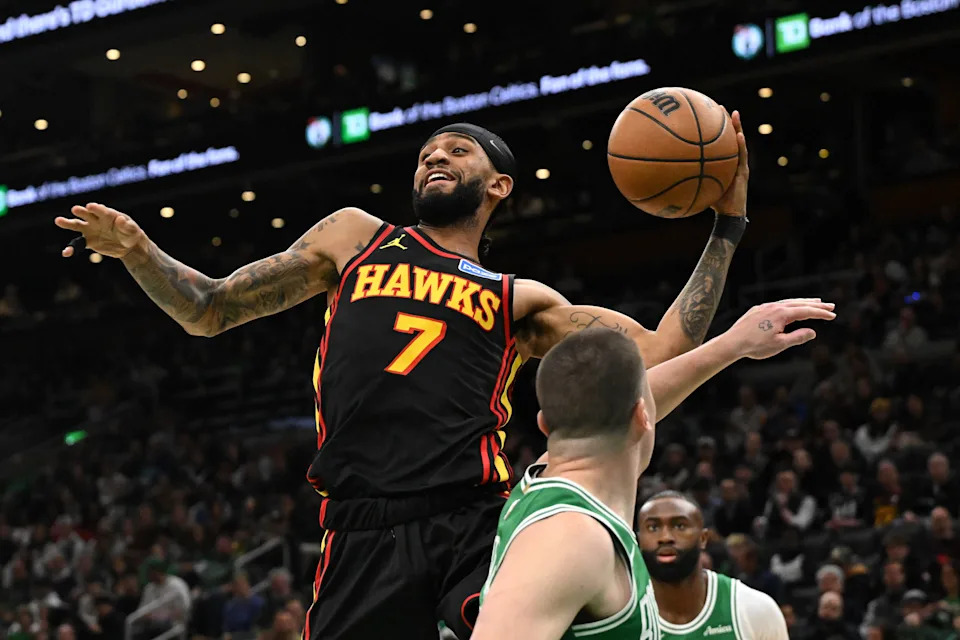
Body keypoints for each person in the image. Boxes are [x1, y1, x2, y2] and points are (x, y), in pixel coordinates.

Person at [54, 116, 830, 638]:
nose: (436, 156)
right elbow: (209, 310)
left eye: (459, 151)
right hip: (359, 528)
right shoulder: (355, 239)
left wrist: (729, 228)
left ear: (498, 186)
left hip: (472, 520)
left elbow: (652, 353)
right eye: (429, 150)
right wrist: (137, 253)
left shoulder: (517, 299)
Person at [474, 313, 832, 639]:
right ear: (643, 418)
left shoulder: (547, 479)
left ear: (545, 424)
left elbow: (633, 397)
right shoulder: (571, 537)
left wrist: (732, 345)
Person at [635, 491, 788, 640]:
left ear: (703, 538)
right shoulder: (620, 617)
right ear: (638, 540)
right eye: (653, 528)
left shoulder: (755, 610)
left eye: (680, 526)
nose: (665, 537)